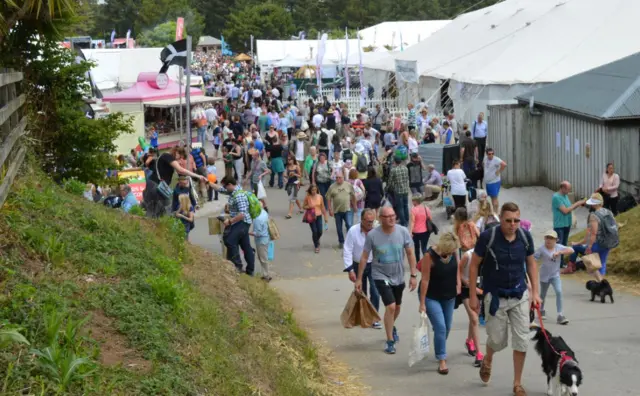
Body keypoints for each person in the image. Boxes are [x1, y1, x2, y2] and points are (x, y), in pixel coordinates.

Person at [467, 202, 541, 396]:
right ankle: (488, 358)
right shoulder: (488, 237)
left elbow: (531, 264)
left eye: (516, 220)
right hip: (495, 296)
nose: (513, 224)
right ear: (501, 218)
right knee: (498, 340)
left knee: (522, 340)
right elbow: (474, 265)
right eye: (508, 220)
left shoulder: (525, 237)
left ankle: (517, 383)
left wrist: (536, 293)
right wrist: (473, 295)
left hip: (519, 295)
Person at [357, 206, 418, 354]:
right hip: (380, 275)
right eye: (387, 216)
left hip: (398, 275)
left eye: (393, 215)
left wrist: (413, 275)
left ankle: (391, 325)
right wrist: (359, 279)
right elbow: (365, 256)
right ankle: (390, 341)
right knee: (390, 307)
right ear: (381, 219)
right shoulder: (373, 235)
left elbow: (410, 253)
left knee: (396, 308)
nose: (391, 218)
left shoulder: (402, 231)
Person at [418, 232, 461, 374]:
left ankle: (439, 343)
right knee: (441, 327)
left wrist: (458, 284)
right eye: (448, 250)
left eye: (453, 250)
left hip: (449, 295)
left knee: (446, 327)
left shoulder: (454, 252)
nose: (451, 252)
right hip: (432, 296)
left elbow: (457, 269)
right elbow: (425, 280)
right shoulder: (429, 256)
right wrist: (422, 303)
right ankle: (442, 359)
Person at [211, 176, 256, 275]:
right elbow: (220, 189)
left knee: (229, 241)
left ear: (230, 185)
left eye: (226, 187)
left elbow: (242, 214)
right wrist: (207, 182)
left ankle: (237, 266)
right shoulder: (233, 191)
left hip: (242, 222)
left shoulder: (239, 196)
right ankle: (250, 270)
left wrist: (230, 221)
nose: (225, 189)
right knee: (245, 246)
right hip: (241, 222)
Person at [344, 209, 381, 328]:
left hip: (374, 265)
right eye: (368, 221)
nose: (370, 224)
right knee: (362, 292)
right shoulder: (353, 231)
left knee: (375, 292)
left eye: (372, 221)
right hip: (357, 264)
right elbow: (347, 250)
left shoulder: (377, 231)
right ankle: (364, 316)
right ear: (362, 220)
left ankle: (374, 318)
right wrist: (350, 269)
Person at [143, 147, 206, 218]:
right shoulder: (167, 156)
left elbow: (180, 171)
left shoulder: (167, 157)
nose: (179, 160)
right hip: (155, 185)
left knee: (158, 210)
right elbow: (180, 169)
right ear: (176, 152)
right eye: (179, 158)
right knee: (164, 209)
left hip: (157, 186)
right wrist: (198, 176)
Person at [569, 193, 617, 282]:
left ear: (594, 204)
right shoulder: (608, 212)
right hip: (608, 241)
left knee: (591, 263)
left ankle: (601, 282)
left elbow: (593, 233)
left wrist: (589, 246)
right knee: (602, 262)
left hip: (598, 242)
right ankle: (602, 283)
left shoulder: (593, 215)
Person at [534, 230, 574, 324]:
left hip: (555, 275)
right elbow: (533, 259)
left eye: (551, 238)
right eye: (547, 238)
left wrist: (559, 253)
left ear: (556, 240)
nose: (549, 240)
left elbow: (572, 250)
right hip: (544, 275)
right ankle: (541, 310)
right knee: (543, 294)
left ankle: (560, 315)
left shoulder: (558, 247)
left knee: (559, 291)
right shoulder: (541, 249)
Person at [458, 248, 484, 368]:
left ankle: (469, 340)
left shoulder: (489, 256)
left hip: (479, 289)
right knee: (474, 319)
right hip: (466, 289)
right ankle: (479, 354)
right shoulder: (467, 256)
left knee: (474, 317)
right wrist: (467, 283)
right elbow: (457, 271)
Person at [551, 181, 586, 273]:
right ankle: (556, 264)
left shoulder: (565, 196)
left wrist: (578, 205)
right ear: (562, 188)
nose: (569, 191)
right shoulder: (556, 197)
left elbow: (570, 207)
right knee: (559, 245)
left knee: (564, 244)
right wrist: (577, 203)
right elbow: (565, 211)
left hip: (567, 223)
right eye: (568, 189)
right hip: (559, 225)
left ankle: (561, 263)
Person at [326, 173, 357, 248]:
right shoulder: (332, 187)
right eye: (336, 178)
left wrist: (355, 206)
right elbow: (328, 198)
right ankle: (341, 241)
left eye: (340, 177)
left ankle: (351, 241)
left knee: (349, 225)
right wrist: (330, 209)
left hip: (347, 209)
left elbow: (353, 196)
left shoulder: (348, 185)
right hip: (337, 211)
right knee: (339, 228)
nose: (338, 179)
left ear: (343, 177)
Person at [303, 184, 329, 253]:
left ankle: (316, 239)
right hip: (311, 216)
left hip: (319, 215)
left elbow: (323, 207)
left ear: (317, 190)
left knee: (320, 231)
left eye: (315, 190)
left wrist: (325, 217)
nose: (314, 191)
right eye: (312, 190)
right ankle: (316, 246)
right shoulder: (308, 197)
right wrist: (309, 206)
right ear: (310, 191)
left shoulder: (320, 197)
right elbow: (304, 206)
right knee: (314, 231)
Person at [250, 205, 272, 282]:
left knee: (263, 258)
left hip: (261, 240)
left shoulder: (257, 219)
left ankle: (266, 276)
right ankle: (266, 274)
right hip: (266, 238)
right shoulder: (264, 212)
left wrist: (249, 233)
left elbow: (258, 233)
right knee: (264, 257)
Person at [408, 194, 432, 263]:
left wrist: (410, 232)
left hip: (416, 232)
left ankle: (418, 262)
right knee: (424, 248)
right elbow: (430, 219)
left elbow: (412, 222)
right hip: (425, 232)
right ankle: (427, 262)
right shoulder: (426, 208)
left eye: (413, 200)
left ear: (416, 201)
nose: (412, 202)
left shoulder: (413, 210)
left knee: (416, 248)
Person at [387, 156, 410, 227]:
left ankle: (403, 222)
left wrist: (388, 188)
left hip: (398, 191)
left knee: (400, 207)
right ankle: (407, 219)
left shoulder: (393, 170)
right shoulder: (405, 168)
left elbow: (390, 182)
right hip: (406, 190)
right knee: (405, 205)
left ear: (394, 162)